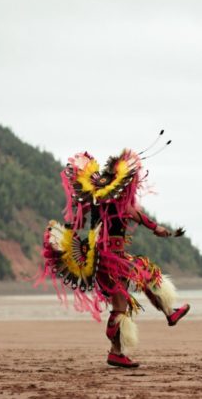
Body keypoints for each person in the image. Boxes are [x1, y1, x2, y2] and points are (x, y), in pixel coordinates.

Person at [38, 148, 190, 369]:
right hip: (109, 261)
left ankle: (169, 313)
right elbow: (143, 219)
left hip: (108, 260)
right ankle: (117, 352)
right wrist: (161, 230)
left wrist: (72, 230)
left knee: (146, 276)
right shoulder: (121, 206)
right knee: (123, 303)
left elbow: (79, 221)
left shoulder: (96, 203)